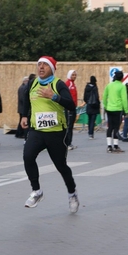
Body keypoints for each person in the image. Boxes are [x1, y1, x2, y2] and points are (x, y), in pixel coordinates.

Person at [20, 56, 79, 213]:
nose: (41, 67)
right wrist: (24, 116)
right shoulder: (33, 83)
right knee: (28, 156)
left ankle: (72, 193)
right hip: (36, 131)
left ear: (51, 68)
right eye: (39, 64)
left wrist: (53, 96)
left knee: (61, 166)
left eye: (45, 65)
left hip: (56, 133)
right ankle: (37, 191)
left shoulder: (58, 84)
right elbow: (26, 98)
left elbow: (71, 106)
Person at [102, 71, 128, 153]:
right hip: (118, 109)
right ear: (121, 78)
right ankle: (116, 146)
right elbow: (124, 99)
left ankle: (109, 146)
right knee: (116, 128)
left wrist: (106, 106)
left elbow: (104, 96)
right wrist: (126, 110)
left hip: (109, 109)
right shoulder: (122, 86)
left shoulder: (109, 85)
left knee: (110, 127)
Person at [65, 70, 78, 150]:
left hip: (73, 107)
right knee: (69, 126)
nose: (74, 76)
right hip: (69, 108)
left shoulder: (73, 84)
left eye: (75, 75)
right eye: (73, 75)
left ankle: (70, 142)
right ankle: (67, 143)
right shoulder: (68, 83)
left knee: (71, 126)